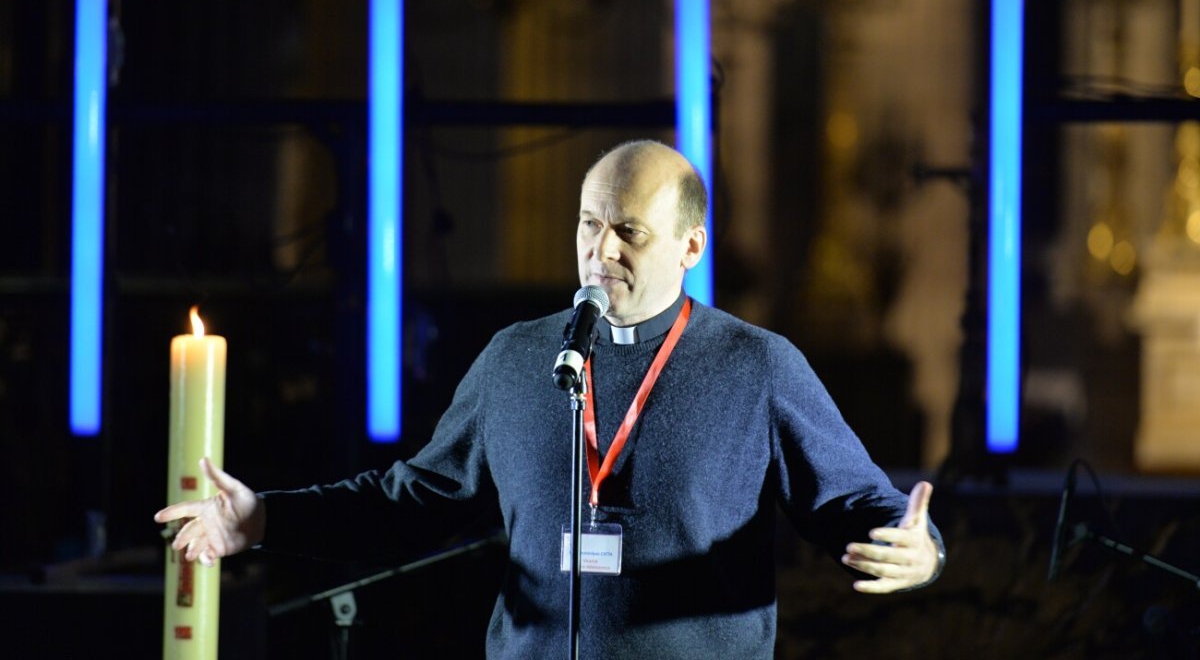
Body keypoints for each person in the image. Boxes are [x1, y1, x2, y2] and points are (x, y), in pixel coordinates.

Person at [156, 139, 944, 659]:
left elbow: (862, 504)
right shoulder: (518, 359)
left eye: (629, 231)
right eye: (589, 223)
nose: (601, 249)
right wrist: (264, 518)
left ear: (690, 247)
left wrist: (918, 548)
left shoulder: (758, 367)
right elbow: (414, 501)